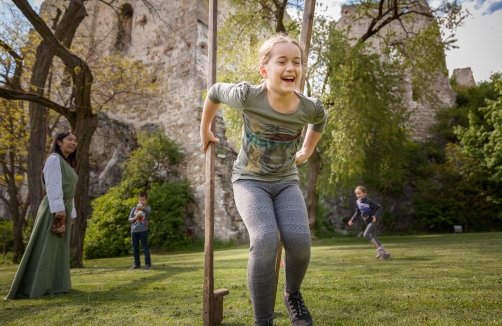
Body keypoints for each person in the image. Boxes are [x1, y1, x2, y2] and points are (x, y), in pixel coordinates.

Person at [200, 33, 327, 326]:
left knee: (299, 241)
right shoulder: (248, 96)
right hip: (249, 181)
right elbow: (215, 92)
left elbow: (320, 118)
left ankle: (292, 294)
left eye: (297, 62)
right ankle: (263, 320)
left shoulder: (308, 106)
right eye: (281, 61)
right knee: (265, 239)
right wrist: (205, 128)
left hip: (286, 182)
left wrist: (307, 149)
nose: (291, 68)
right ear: (264, 70)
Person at [6, 131, 78, 299]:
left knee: (58, 249)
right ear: (59, 142)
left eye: (75, 140)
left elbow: (70, 192)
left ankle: (55, 284)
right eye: (70, 139)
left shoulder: (67, 164)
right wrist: (59, 208)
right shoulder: (54, 160)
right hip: (54, 209)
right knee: (47, 246)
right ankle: (37, 286)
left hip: (64, 208)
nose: (74, 143)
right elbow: (53, 185)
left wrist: (71, 212)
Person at [348, 186, 391, 260]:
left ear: (364, 193)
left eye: (360, 193)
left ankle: (379, 250)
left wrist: (375, 216)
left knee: (366, 234)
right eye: (356, 194)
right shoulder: (357, 202)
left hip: (373, 221)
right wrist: (352, 220)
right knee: (373, 238)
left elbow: (379, 208)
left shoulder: (369, 201)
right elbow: (357, 212)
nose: (358, 195)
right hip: (368, 222)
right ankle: (386, 253)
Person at [128, 192, 152, 269]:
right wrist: (135, 218)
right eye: (140, 200)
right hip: (134, 231)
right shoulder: (134, 209)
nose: (141, 201)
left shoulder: (147, 208)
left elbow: (148, 212)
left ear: (146, 200)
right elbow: (129, 219)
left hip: (143, 230)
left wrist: (142, 209)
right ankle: (136, 264)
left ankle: (148, 263)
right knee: (135, 248)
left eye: (143, 200)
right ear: (138, 200)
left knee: (144, 247)